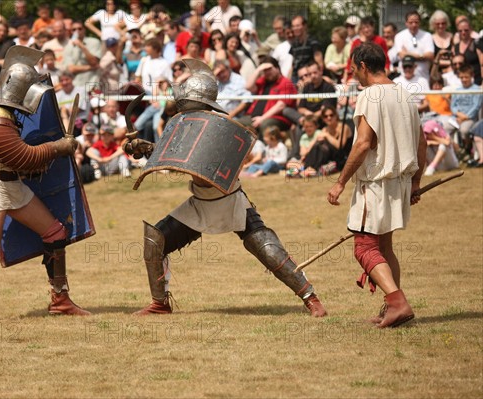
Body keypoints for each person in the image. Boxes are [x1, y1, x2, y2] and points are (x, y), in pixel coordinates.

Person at [123, 59, 327, 317]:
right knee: (155, 241)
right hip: (199, 203)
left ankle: (310, 297)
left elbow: (203, 162)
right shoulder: (183, 122)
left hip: (230, 201)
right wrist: (144, 148)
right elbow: (176, 157)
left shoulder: (219, 126)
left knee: (268, 249)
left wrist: (153, 150)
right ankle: (160, 303)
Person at [0, 46, 90, 324]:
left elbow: (19, 160)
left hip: (11, 184)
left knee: (56, 233)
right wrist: (59, 147)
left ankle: (60, 299)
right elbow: (22, 157)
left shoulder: (5, 114)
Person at [327, 42, 426, 328]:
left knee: (364, 247)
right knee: (384, 246)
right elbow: (422, 142)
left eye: (354, 69)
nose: (354, 75)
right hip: (400, 182)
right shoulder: (405, 95)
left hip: (376, 183)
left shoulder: (370, 96)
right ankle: (390, 307)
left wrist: (340, 182)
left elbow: (363, 144)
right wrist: (415, 182)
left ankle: (397, 302)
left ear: (364, 66)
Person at [390, 10, 435, 81]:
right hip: (405, 78)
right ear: (406, 23)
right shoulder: (399, 36)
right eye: (411, 22)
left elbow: (430, 55)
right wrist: (422, 56)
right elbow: (402, 55)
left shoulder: (427, 36)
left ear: (420, 23)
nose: (414, 25)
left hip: (423, 77)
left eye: (416, 22)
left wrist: (408, 54)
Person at [63, 21, 101, 93]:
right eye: (74, 29)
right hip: (76, 86)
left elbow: (94, 62)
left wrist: (82, 46)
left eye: (79, 29)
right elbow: (71, 69)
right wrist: (91, 67)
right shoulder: (68, 47)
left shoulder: (94, 42)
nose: (77, 31)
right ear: (71, 32)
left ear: (84, 30)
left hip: (92, 85)